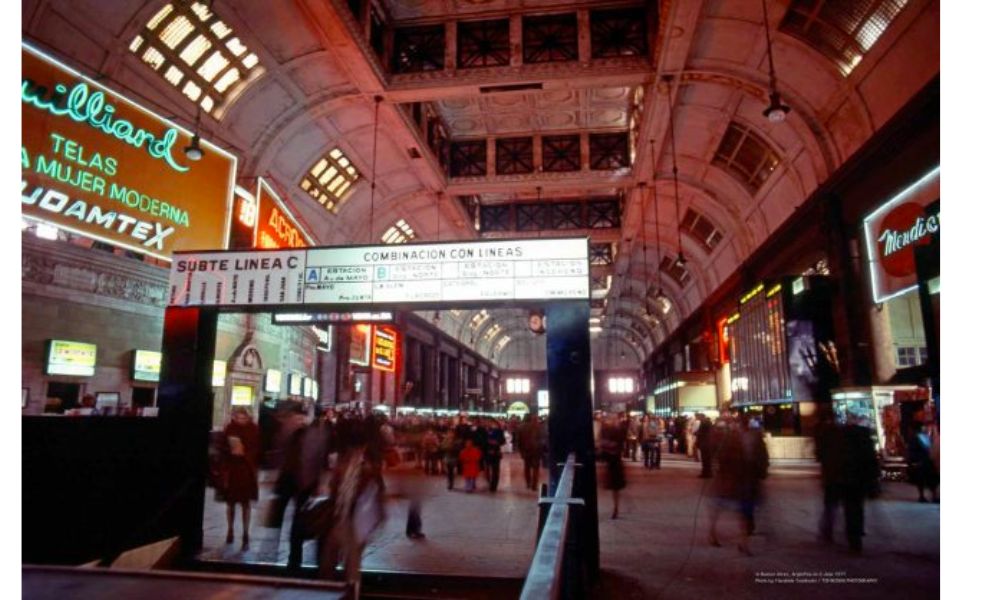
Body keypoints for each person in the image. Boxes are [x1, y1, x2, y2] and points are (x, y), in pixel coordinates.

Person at [816, 412, 880, 554]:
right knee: (855, 509)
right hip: (857, 480)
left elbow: (822, 456)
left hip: (837, 478)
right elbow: (871, 461)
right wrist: (873, 482)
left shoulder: (833, 436)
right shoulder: (863, 436)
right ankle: (855, 540)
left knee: (832, 506)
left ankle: (829, 532)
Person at [220, 407, 261, 550]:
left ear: (248, 417)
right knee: (230, 503)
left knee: (245, 504)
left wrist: (246, 452)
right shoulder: (230, 429)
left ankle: (245, 533)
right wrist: (230, 451)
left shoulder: (254, 429)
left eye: (244, 418)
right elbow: (221, 448)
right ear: (234, 417)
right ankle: (230, 529)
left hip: (246, 470)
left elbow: (258, 449)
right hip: (232, 470)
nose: (241, 420)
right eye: (238, 417)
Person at [600, 414, 627, 519]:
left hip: (614, 463)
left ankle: (616, 508)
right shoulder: (609, 430)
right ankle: (616, 508)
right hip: (614, 463)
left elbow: (615, 446)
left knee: (615, 487)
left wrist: (607, 446)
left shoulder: (618, 431)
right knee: (615, 488)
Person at [907, 422, 939, 503]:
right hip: (923, 462)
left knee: (929, 480)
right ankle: (926, 496)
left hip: (925, 462)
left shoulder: (922, 437)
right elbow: (913, 451)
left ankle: (930, 496)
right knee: (925, 480)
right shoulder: (919, 437)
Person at [518, 414, 544, 491]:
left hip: (526, 450)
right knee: (536, 468)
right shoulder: (538, 427)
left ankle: (528, 483)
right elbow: (541, 438)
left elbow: (519, 441)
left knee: (527, 467)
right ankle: (534, 485)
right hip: (536, 450)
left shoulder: (521, 427)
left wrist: (521, 451)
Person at [484, 419, 505, 492]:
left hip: (496, 453)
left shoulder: (499, 431)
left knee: (495, 470)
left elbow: (503, 441)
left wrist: (496, 442)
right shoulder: (485, 431)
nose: (489, 424)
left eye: (491, 422)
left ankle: (493, 486)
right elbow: (481, 440)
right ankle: (489, 482)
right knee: (487, 469)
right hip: (487, 452)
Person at [696, 414, 714, 478]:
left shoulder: (704, 423)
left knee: (706, 459)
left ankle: (706, 473)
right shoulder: (707, 423)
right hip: (707, 443)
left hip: (705, 443)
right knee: (706, 459)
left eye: (698, 417)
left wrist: (698, 433)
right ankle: (707, 473)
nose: (697, 418)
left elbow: (701, 433)